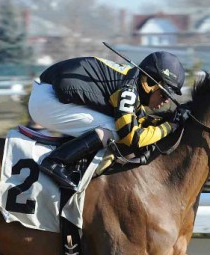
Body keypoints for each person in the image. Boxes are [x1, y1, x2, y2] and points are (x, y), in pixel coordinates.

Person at [28, 51, 190, 190]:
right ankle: (56, 162)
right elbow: (132, 137)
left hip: (49, 95)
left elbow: (140, 121)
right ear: (149, 84)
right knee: (113, 129)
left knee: (114, 126)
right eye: (164, 94)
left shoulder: (133, 84)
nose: (166, 101)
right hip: (46, 101)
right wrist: (171, 126)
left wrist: (170, 119)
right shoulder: (128, 91)